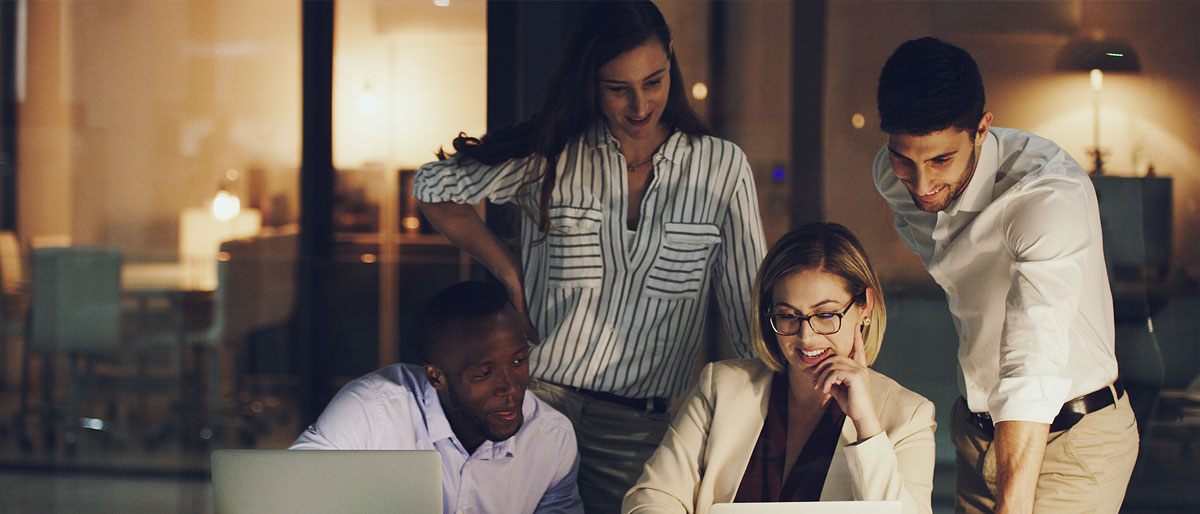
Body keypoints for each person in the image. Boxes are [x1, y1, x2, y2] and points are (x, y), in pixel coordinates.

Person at [413, 2, 766, 511]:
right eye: (617, 88)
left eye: (654, 81)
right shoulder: (550, 155)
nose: (640, 106)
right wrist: (504, 265)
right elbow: (433, 185)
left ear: (671, 59)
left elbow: (747, 318)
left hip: (640, 434)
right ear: (590, 80)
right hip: (534, 411)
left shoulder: (721, 167)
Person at [872, 37, 1138, 513]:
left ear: (982, 128)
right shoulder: (894, 179)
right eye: (904, 159)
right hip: (976, 436)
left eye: (940, 160)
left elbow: (1030, 361)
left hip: (1072, 440)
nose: (922, 184)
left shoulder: (1047, 197)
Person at [623, 223, 936, 514]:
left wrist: (866, 424)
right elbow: (651, 498)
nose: (806, 336)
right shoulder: (722, 386)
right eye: (788, 316)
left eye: (825, 315)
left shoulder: (909, 416)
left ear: (865, 306)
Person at [290, 281, 583, 514]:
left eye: (518, 362)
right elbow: (289, 494)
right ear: (436, 377)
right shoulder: (371, 410)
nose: (510, 388)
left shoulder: (552, 437)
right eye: (483, 374)